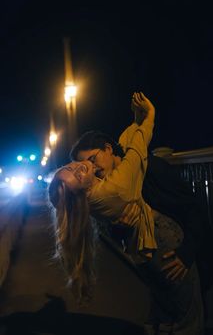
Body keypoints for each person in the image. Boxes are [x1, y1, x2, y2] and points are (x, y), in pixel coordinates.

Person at [49, 92, 204, 334]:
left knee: (167, 315)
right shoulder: (114, 186)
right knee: (187, 320)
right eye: (79, 169)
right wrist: (148, 117)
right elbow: (137, 148)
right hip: (168, 253)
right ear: (81, 191)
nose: (87, 167)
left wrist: (135, 120)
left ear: (109, 149)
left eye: (91, 160)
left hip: (176, 252)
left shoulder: (145, 173)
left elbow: (191, 207)